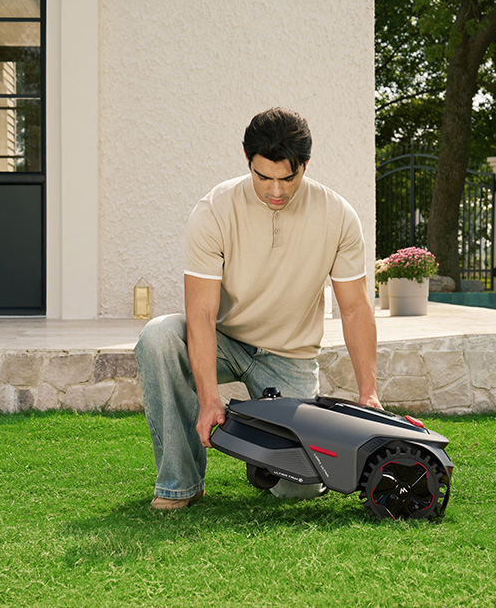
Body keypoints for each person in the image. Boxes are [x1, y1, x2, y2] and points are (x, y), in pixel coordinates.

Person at [135, 107, 381, 510]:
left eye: (288, 178)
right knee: (159, 337)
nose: (276, 191)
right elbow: (200, 313)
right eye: (263, 176)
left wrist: (368, 392)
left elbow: (354, 309)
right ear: (247, 161)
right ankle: (180, 483)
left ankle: (271, 463)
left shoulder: (338, 216)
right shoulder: (214, 209)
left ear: (305, 165)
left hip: (289, 358)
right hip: (227, 341)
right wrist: (209, 398)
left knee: (299, 488)